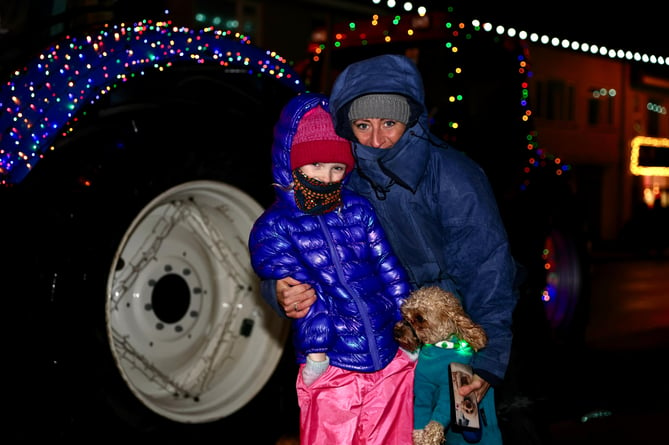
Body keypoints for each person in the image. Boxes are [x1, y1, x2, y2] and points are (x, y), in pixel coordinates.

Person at [263, 54, 521, 444]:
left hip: (457, 340)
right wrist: (278, 288)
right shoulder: (341, 183)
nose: (377, 139)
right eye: (363, 125)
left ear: (411, 120)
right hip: (392, 349)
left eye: (390, 123)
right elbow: (297, 246)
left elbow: (489, 268)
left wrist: (488, 362)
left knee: (466, 433)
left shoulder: (453, 176)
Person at [248, 92, 415, 445]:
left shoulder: (356, 209)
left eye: (337, 168)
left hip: (388, 355)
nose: (326, 177)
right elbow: (302, 294)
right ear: (291, 164)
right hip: (332, 364)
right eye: (315, 166)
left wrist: (409, 324)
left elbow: (388, 267)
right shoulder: (275, 226)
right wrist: (317, 352)